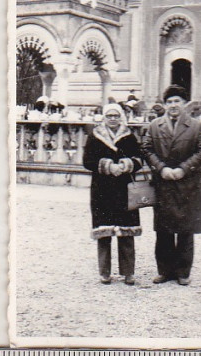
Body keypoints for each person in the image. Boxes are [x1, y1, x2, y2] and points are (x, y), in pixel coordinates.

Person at [142, 85, 201, 286]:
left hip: (188, 184)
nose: (173, 105)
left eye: (177, 101)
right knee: (163, 229)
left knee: (186, 229)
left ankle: (183, 272)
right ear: (165, 104)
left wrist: (183, 168)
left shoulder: (197, 126)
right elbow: (146, 149)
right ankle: (165, 270)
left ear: (184, 104)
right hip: (163, 183)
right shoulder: (155, 125)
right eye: (169, 102)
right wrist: (161, 168)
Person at [82, 102, 143, 285]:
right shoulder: (95, 137)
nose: (113, 119)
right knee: (104, 231)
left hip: (124, 188)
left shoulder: (129, 136)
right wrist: (108, 166)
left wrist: (126, 165)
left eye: (116, 116)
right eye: (109, 116)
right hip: (103, 189)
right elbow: (87, 161)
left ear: (121, 117)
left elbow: (139, 159)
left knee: (126, 232)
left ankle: (128, 272)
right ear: (104, 117)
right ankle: (104, 272)